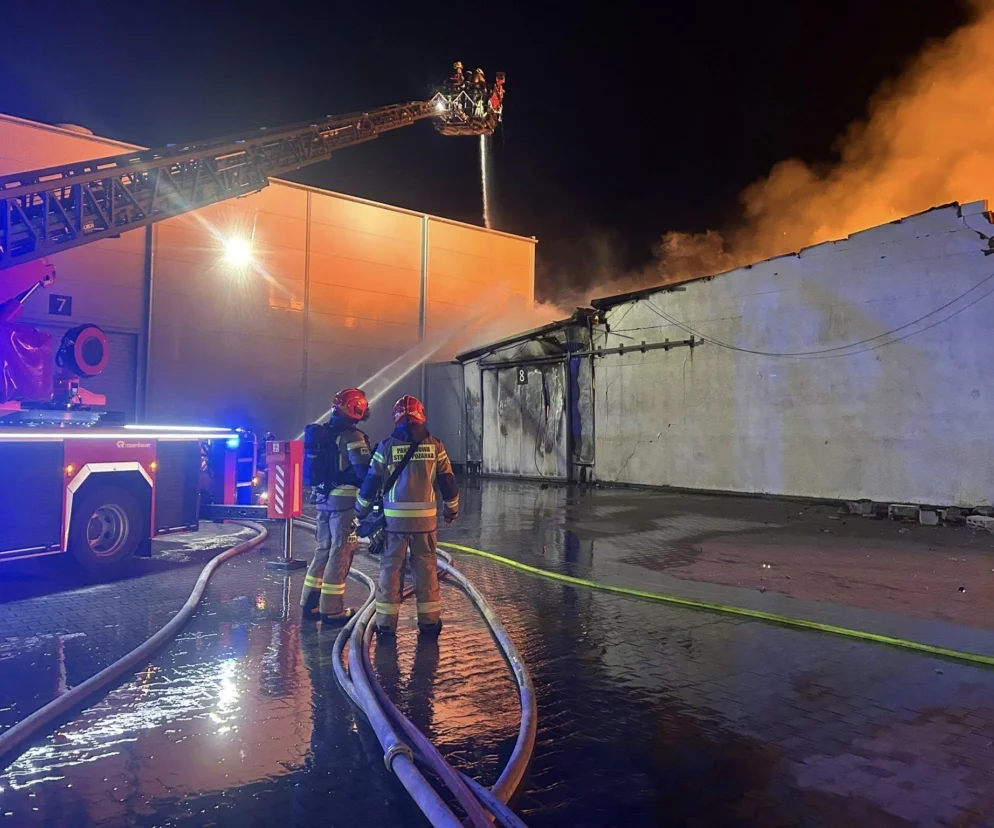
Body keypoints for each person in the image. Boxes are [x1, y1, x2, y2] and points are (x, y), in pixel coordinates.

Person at [355, 395, 459, 638]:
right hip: (425, 524)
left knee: (390, 572)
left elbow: (370, 483)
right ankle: (429, 624)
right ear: (422, 416)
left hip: (394, 525)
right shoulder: (436, 446)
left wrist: (360, 511)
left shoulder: (385, 447)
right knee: (427, 572)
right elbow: (448, 482)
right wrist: (451, 510)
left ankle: (385, 625)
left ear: (396, 419)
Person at [301, 388, 371, 624]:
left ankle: (309, 603)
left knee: (323, 550)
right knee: (340, 553)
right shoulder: (352, 436)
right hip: (344, 503)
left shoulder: (324, 433)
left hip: (323, 500)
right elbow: (363, 471)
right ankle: (332, 611)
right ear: (356, 409)